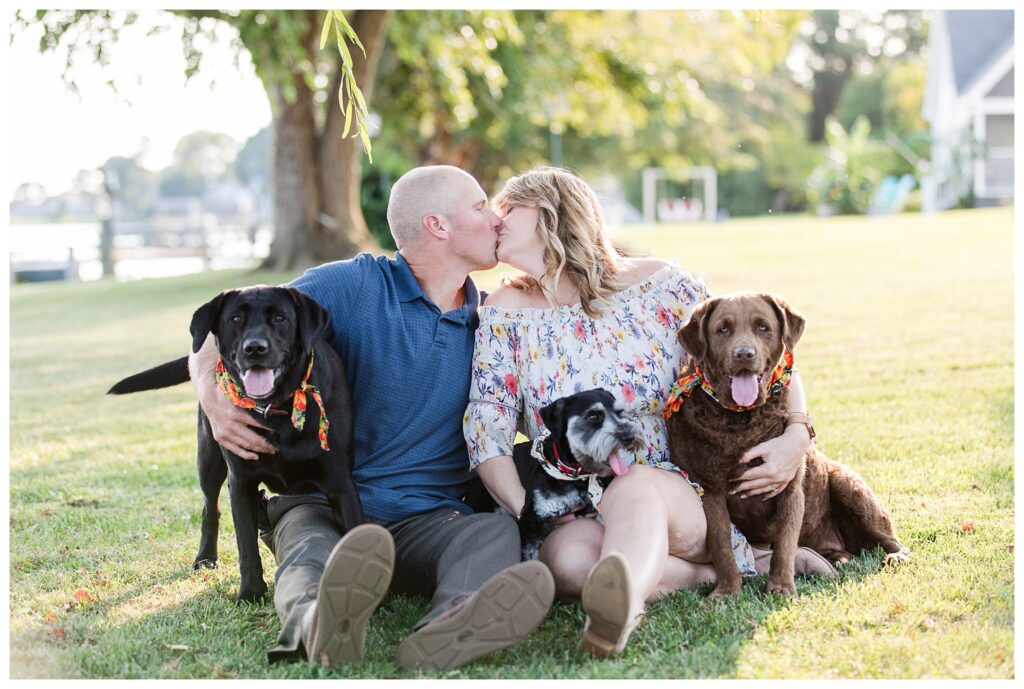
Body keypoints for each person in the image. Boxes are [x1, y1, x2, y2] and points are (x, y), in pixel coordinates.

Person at [188, 165, 555, 672]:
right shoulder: (355, 285)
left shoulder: (493, 319)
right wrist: (211, 395)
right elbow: (237, 318)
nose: (495, 218)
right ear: (437, 225)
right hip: (322, 500)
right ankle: (316, 620)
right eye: (479, 206)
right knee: (308, 551)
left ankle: (452, 625)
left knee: (490, 535)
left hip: (428, 518)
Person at [463, 167, 833, 657]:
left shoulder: (662, 288)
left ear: (552, 212)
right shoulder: (504, 311)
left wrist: (796, 433)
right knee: (570, 563)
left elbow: (770, 363)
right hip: (580, 496)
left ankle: (622, 611)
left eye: (509, 207)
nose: (495, 219)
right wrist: (532, 513)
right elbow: (485, 433)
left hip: (678, 486)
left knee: (635, 485)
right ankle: (735, 569)